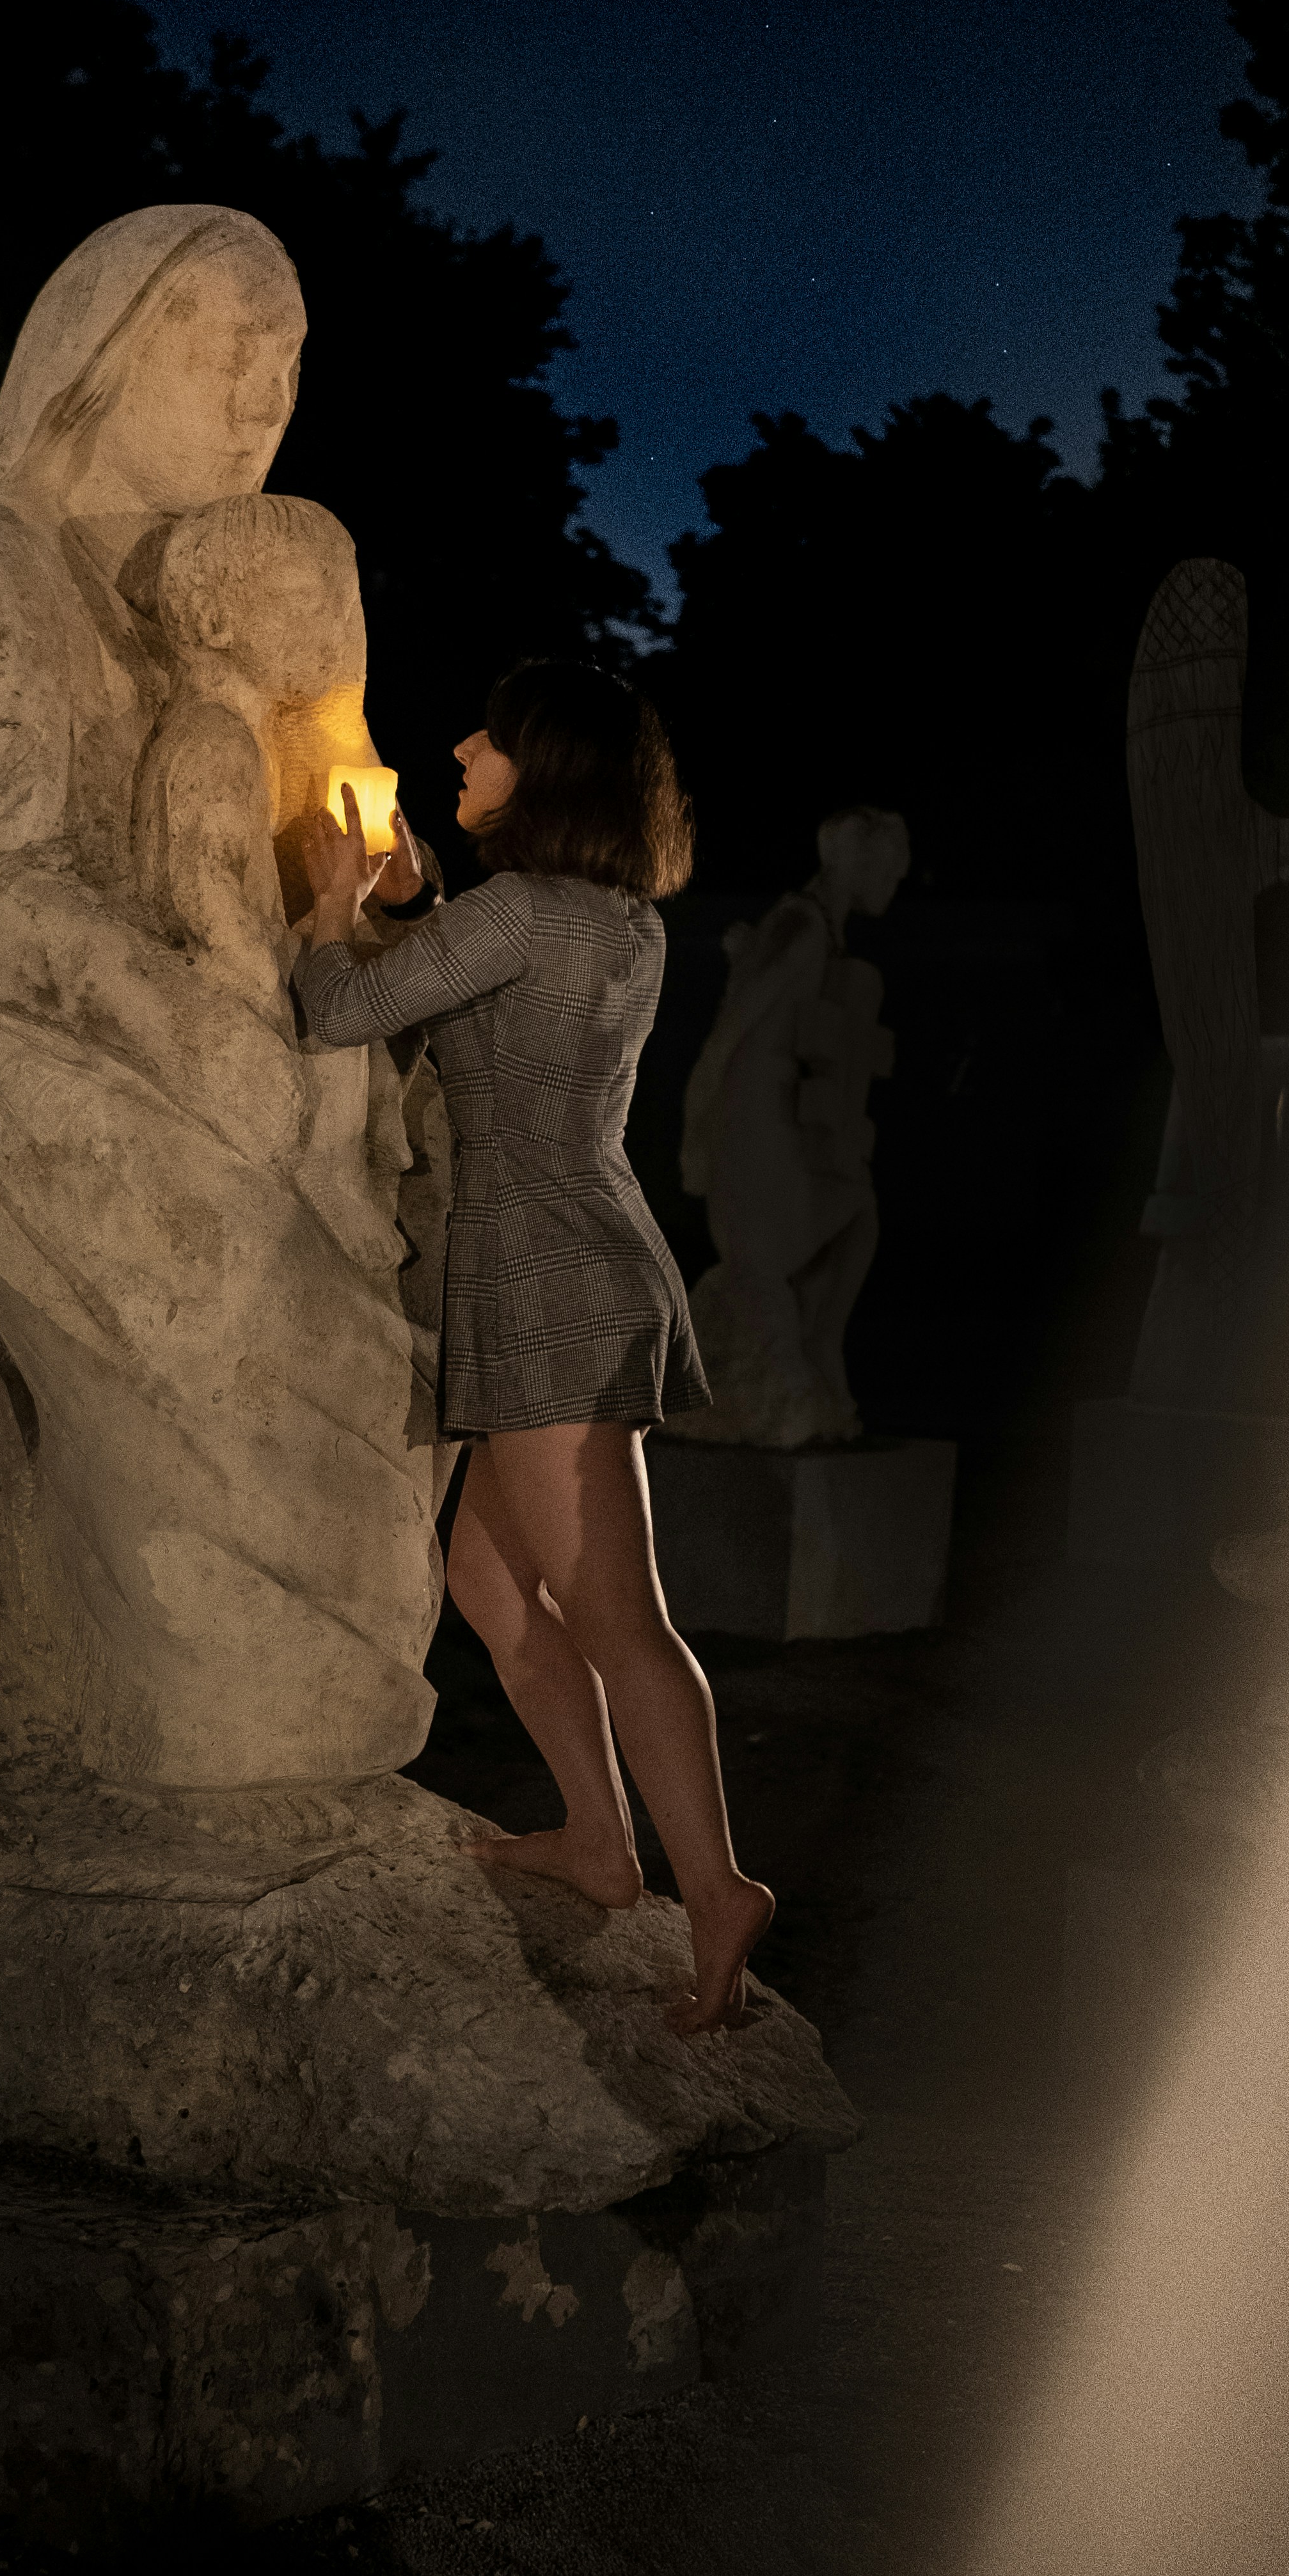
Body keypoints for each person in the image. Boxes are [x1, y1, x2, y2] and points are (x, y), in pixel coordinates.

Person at [294, 661, 775, 2034]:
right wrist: (408, 901)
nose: (463, 745)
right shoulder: (611, 919)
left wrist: (332, 907)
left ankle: (718, 1888)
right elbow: (474, 980)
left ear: (543, 767)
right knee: (486, 1579)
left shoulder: (525, 911)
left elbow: (336, 1011)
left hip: (547, 1284)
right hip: (569, 1263)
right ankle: (598, 1842)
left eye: (493, 737)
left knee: (615, 1613)